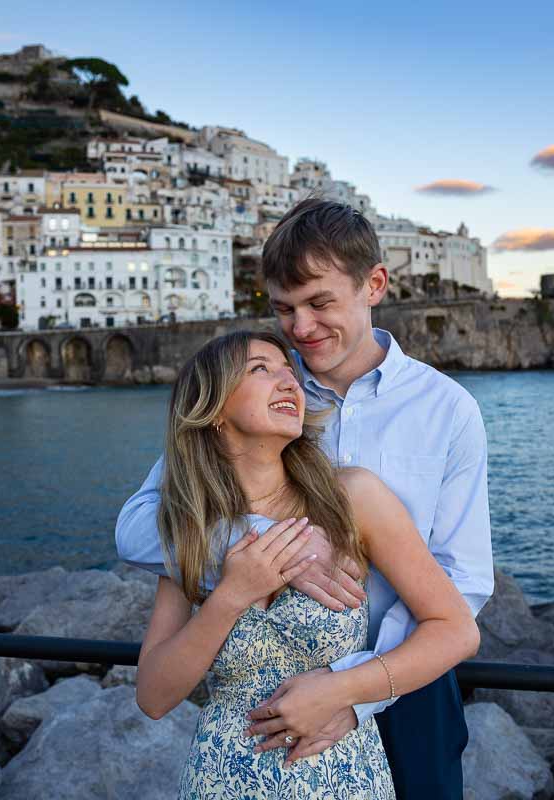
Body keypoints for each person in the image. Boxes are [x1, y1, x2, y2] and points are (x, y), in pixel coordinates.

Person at [118, 198, 494, 798]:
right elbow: (142, 525)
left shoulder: (447, 409)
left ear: (374, 285)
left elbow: (464, 582)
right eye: (284, 308)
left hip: (409, 681)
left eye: (320, 303)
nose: (300, 327)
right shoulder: (257, 391)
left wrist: (354, 692)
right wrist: (278, 547)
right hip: (264, 709)